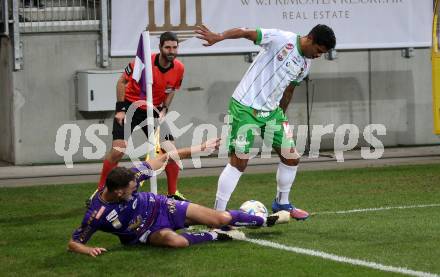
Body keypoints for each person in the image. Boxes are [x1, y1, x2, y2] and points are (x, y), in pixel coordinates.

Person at [195, 24, 336, 220]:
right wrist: (219, 36)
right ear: (310, 39)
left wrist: (281, 115)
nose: (318, 55)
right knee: (239, 162)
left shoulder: (305, 63)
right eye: (319, 51)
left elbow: (289, 89)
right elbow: (245, 32)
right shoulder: (281, 38)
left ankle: (282, 204)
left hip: (272, 113)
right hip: (245, 107)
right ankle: (217, 214)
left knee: (291, 157)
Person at [68, 139, 286, 256]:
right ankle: (216, 236)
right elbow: (74, 243)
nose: (135, 187)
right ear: (118, 192)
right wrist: (87, 249)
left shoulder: (131, 175)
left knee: (219, 218)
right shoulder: (97, 214)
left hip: (164, 206)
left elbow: (165, 157)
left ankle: (266, 220)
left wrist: (199, 148)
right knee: (177, 241)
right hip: (145, 232)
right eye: (132, 188)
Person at [97, 31, 186, 200]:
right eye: (167, 47)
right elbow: (121, 82)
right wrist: (120, 109)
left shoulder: (179, 68)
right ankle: (101, 190)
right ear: (160, 48)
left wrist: (165, 108)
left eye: (174, 47)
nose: (171, 51)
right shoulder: (143, 62)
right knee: (118, 151)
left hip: (152, 110)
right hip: (130, 106)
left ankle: (173, 193)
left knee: (171, 151)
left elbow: (171, 90)